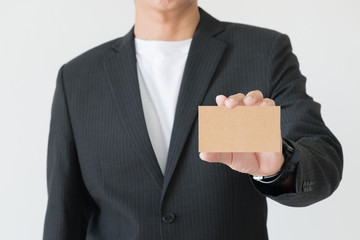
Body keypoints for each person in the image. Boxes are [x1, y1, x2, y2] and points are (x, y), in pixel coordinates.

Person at [43, 1, 343, 239]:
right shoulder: (78, 78)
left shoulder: (264, 52)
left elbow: (322, 162)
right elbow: (64, 215)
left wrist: (278, 168)